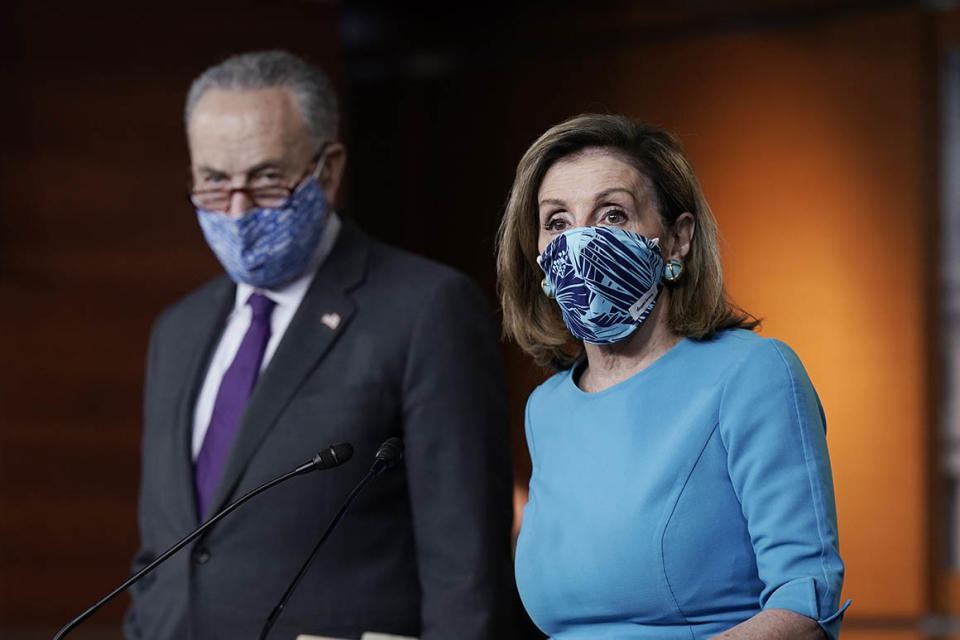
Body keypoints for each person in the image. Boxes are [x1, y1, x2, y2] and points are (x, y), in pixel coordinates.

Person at [125, 50, 518, 640]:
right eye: (212, 182)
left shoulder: (426, 308)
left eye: (265, 179)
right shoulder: (175, 330)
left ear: (328, 170)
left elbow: (466, 569)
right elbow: (167, 546)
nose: (236, 211)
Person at [497, 114, 850, 640]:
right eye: (557, 222)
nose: (581, 242)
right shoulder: (547, 408)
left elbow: (805, 603)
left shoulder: (753, 373)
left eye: (612, 214)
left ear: (676, 240)